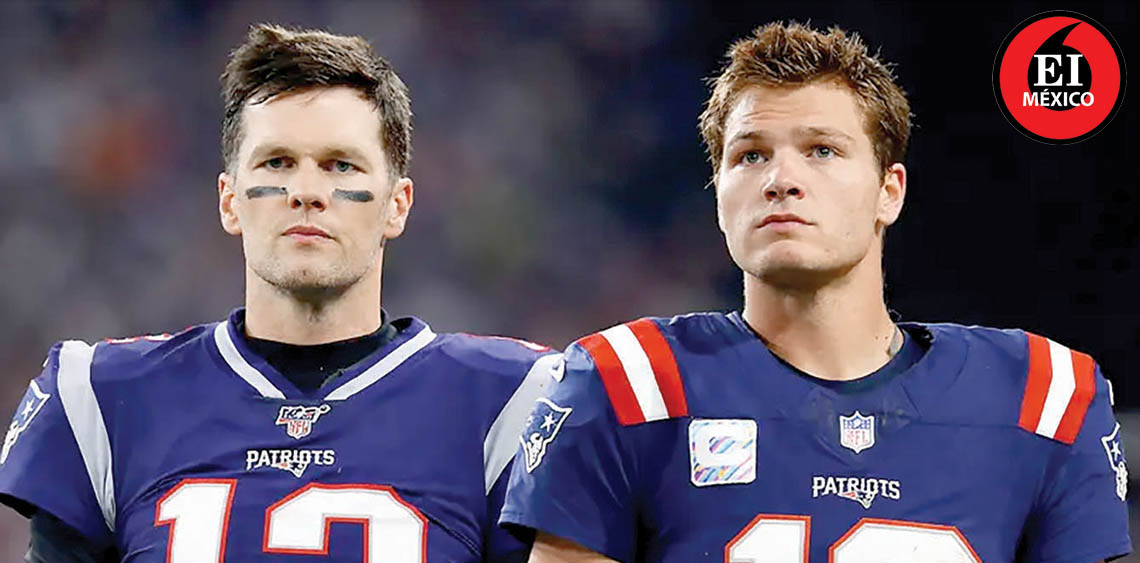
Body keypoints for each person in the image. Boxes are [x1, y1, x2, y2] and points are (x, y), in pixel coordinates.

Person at [499, 21, 1131, 563]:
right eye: (750, 155)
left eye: (822, 150)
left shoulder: (1042, 398)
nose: (781, 179)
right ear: (718, 193)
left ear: (889, 191)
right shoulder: (625, 383)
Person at [0, 24, 558, 562]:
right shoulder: (107, 399)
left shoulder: (509, 404)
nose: (307, 191)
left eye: (341, 165)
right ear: (229, 200)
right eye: (277, 162)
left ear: (397, 204)